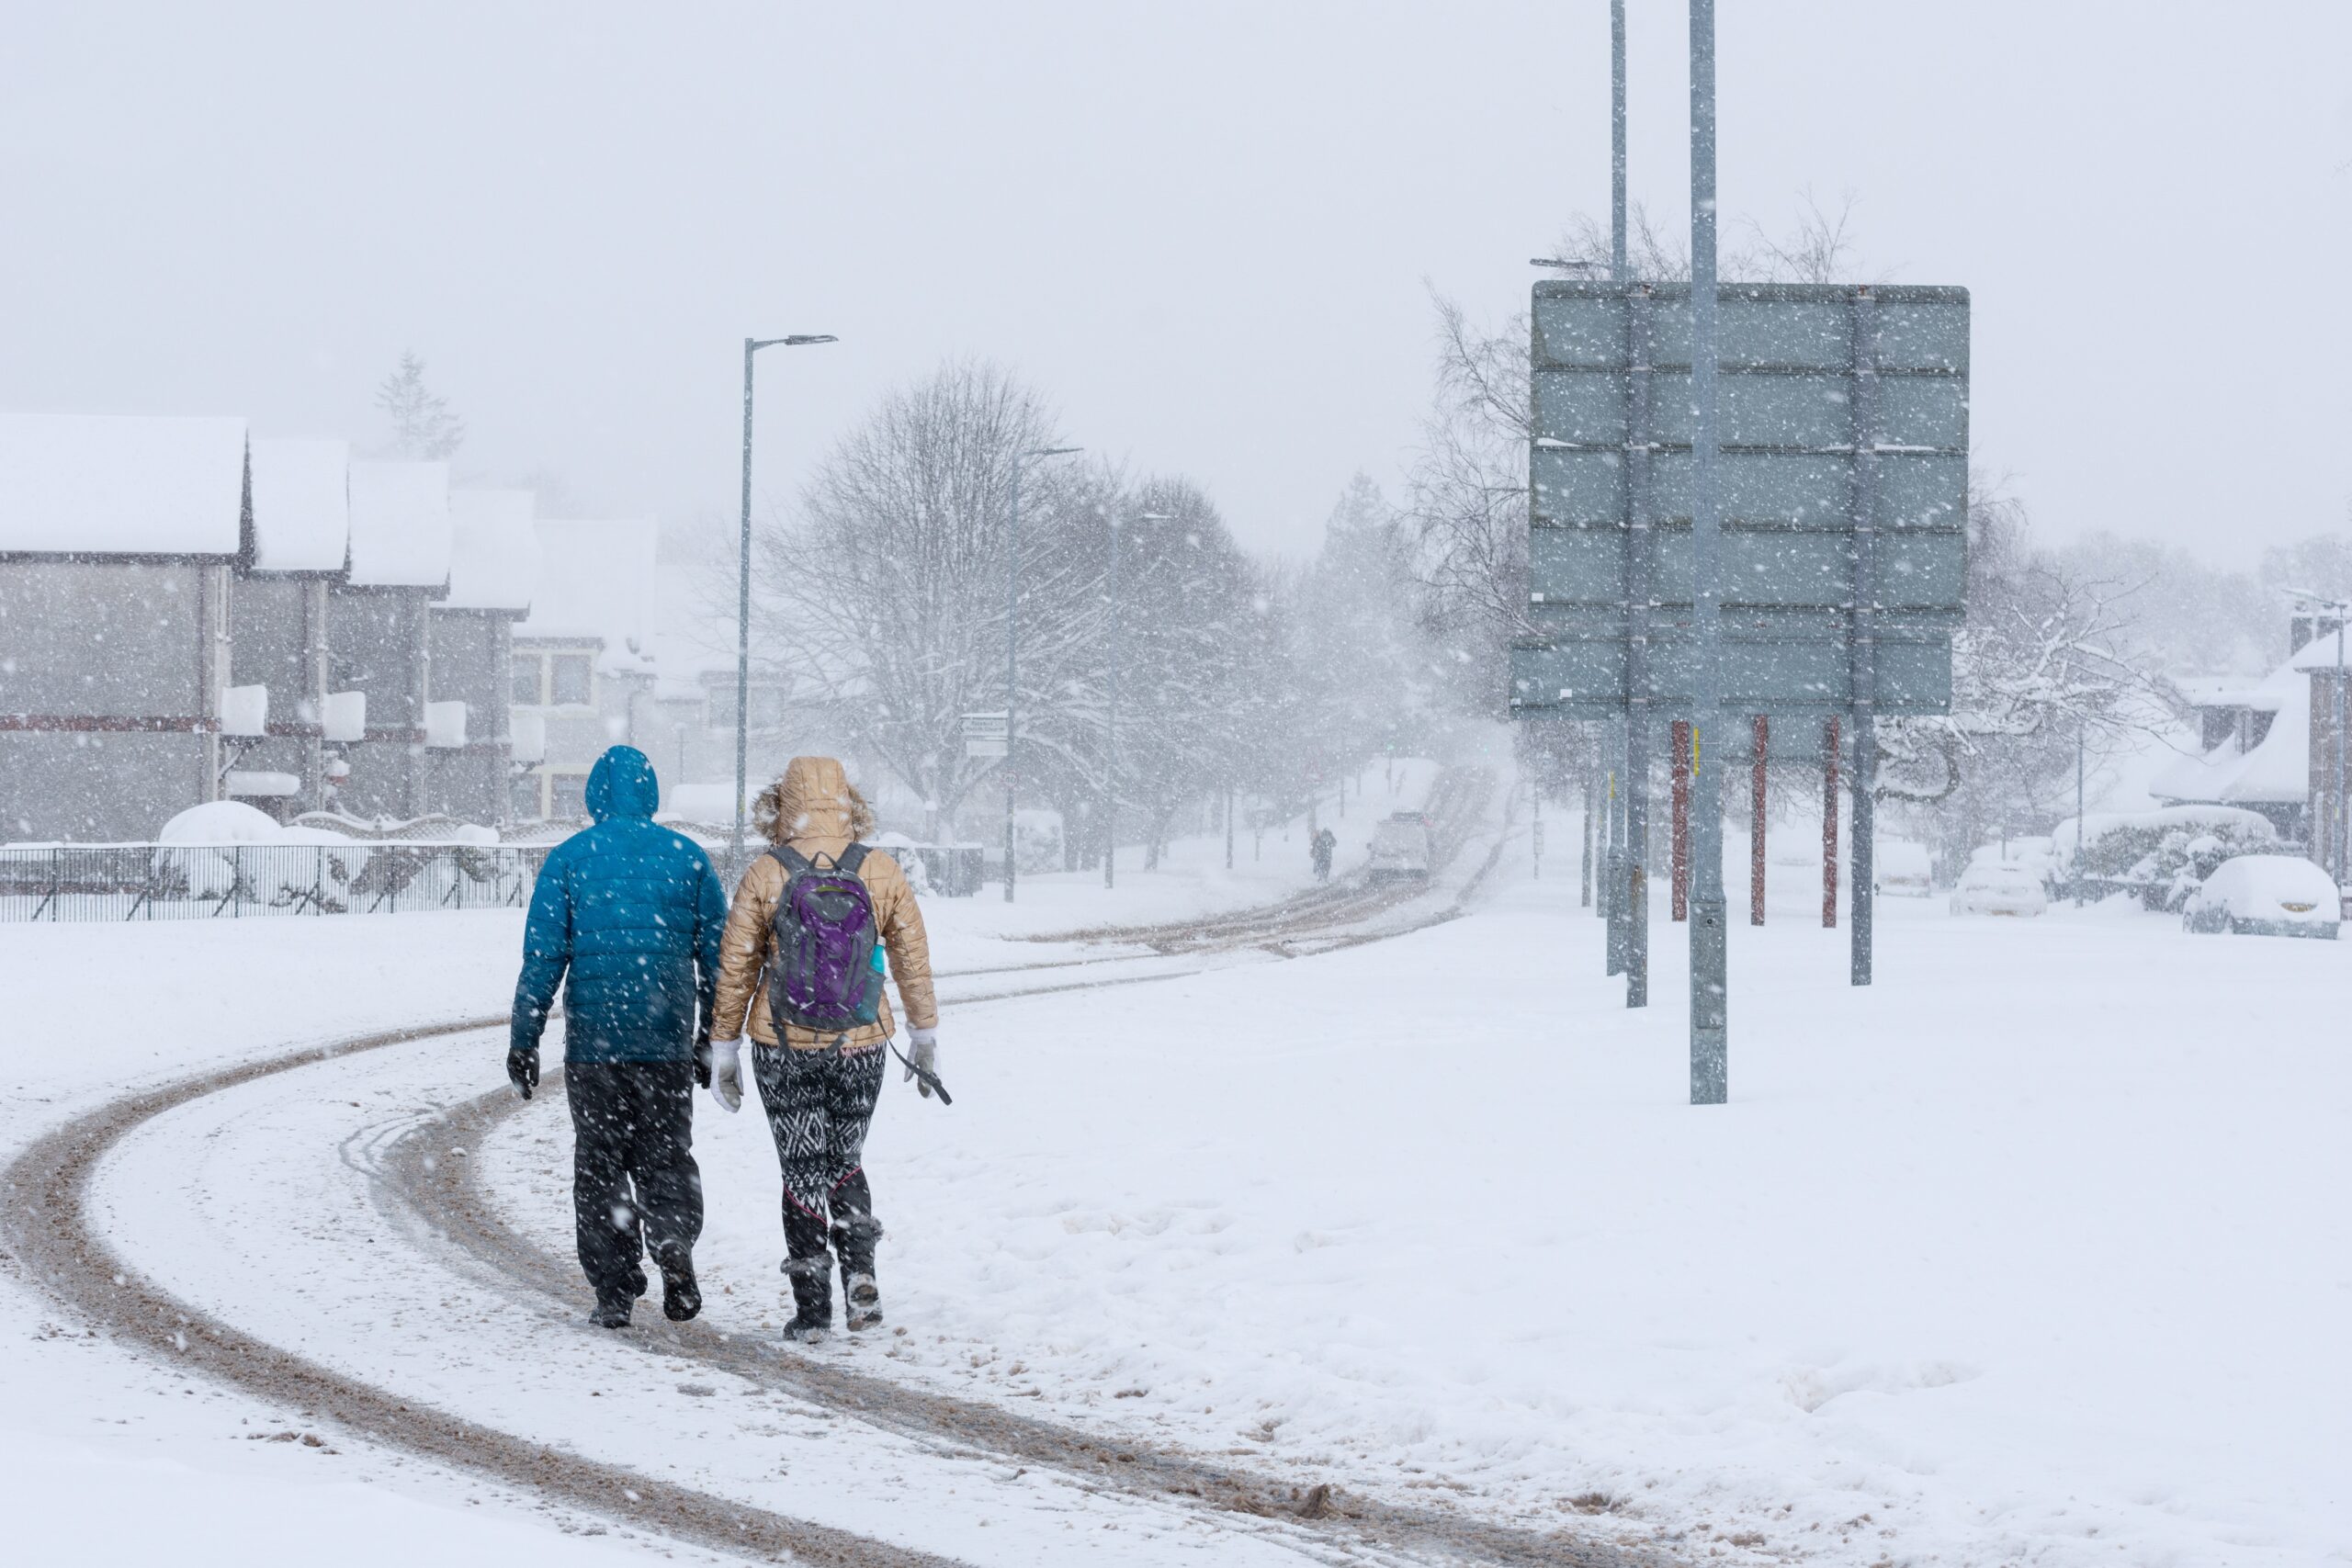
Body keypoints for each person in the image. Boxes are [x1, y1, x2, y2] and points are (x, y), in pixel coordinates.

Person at [705, 756, 938, 1343]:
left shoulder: (766, 871)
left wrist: (724, 1047)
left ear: (781, 805)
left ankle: (812, 1311)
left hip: (781, 1044)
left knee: (801, 1168)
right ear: (849, 802)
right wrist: (924, 1034)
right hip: (862, 1041)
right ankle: (861, 1276)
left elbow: (736, 967)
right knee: (846, 1159)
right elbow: (912, 957)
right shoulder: (879, 869)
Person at [510, 745, 728, 1329]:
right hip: (664, 1040)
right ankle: (673, 1243)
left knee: (600, 1164)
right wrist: (712, 1035)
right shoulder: (687, 858)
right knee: (665, 1156)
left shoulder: (570, 859)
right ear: (651, 792)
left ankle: (614, 1287)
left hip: (595, 1046)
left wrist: (524, 1037)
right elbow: (719, 958)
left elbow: (544, 957)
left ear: (594, 796)